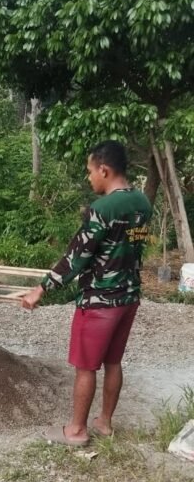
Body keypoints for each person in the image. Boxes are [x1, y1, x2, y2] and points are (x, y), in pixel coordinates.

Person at [22, 140, 152, 446]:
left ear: (104, 170)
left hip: (99, 301)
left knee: (86, 367)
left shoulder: (102, 209)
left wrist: (41, 289)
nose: (89, 177)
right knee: (113, 362)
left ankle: (77, 431)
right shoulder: (143, 203)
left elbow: (75, 259)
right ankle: (104, 423)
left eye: (90, 171)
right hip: (128, 297)